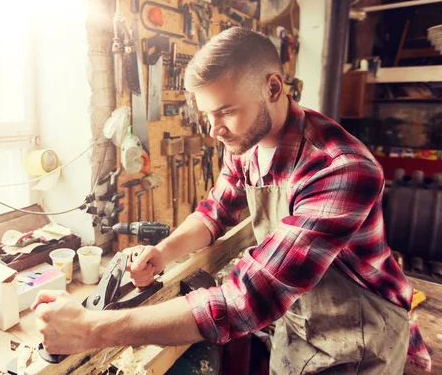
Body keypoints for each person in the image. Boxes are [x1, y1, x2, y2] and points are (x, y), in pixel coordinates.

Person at [31, 27, 431, 373]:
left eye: (225, 112)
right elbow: (216, 211)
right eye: (207, 115)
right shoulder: (244, 143)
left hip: (360, 334)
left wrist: (90, 330)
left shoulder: (340, 169)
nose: (214, 130)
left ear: (273, 87)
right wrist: (164, 251)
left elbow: (246, 300)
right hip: (298, 317)